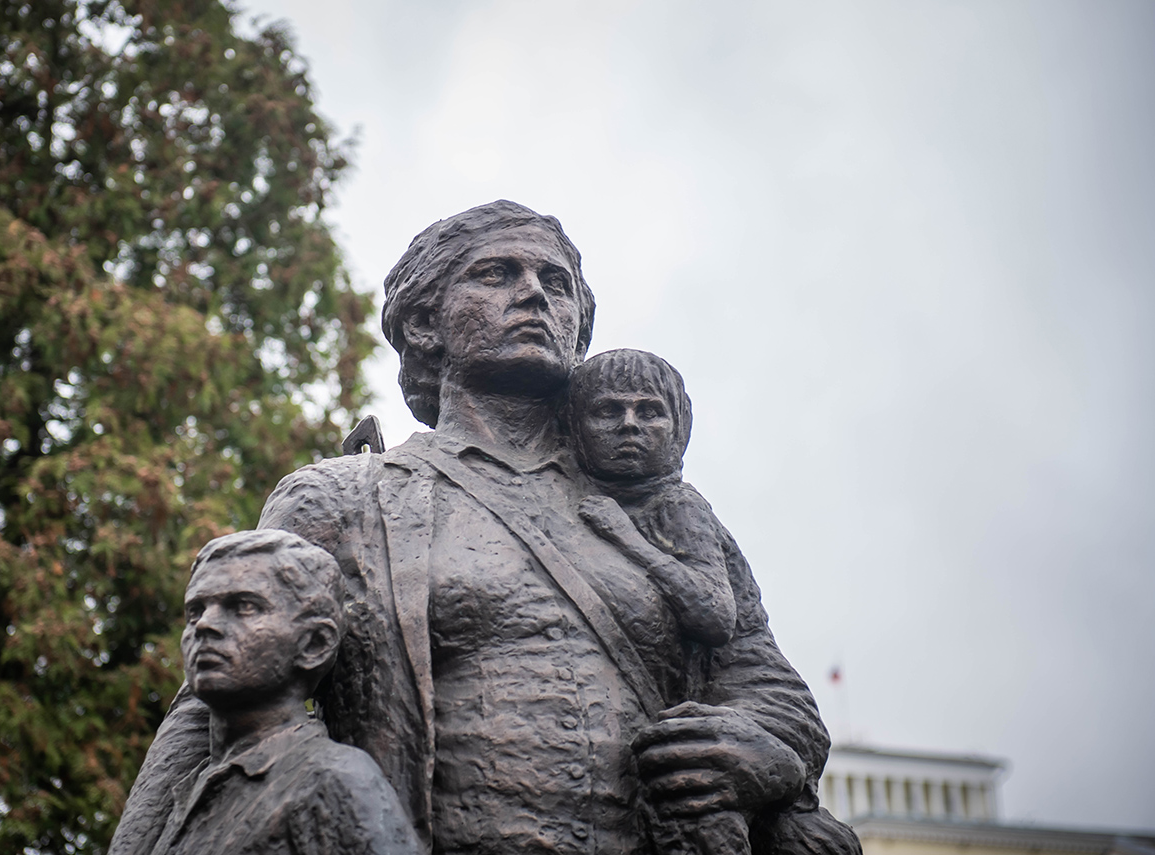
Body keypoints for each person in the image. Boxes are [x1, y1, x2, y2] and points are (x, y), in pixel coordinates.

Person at [110, 200, 859, 855]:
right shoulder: (339, 499)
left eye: (555, 283)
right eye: (497, 273)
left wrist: (758, 749)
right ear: (426, 321)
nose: (533, 292)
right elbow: (213, 708)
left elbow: (769, 686)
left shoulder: (663, 505)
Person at [148, 530, 419, 855]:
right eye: (195, 611)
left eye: (243, 606)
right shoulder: (190, 789)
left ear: (314, 644)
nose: (205, 624)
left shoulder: (336, 782)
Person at [568, 348, 737, 649]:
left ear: (678, 428)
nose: (629, 424)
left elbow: (716, 615)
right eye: (608, 411)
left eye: (649, 412)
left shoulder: (679, 505)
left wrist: (627, 539)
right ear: (574, 426)